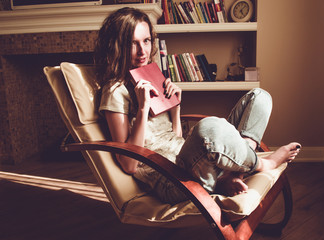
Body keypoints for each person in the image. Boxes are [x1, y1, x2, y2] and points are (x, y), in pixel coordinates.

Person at [95, 7, 301, 204]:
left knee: (259, 97)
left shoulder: (151, 77)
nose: (143, 51)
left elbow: (174, 138)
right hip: (172, 180)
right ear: (118, 46)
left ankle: (228, 174)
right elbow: (129, 164)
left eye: (147, 41)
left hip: (189, 159)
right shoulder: (115, 91)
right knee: (209, 128)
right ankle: (262, 164)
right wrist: (142, 108)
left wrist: (175, 109)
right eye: (133, 43)